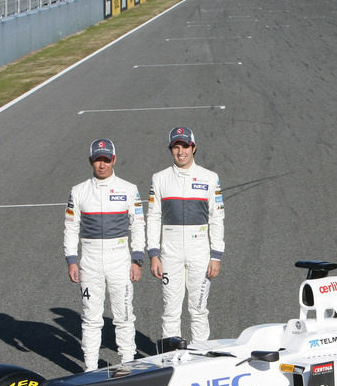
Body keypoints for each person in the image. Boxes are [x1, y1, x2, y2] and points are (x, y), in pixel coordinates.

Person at [64, 139, 145, 370]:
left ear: (114, 160)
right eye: (98, 159)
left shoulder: (128, 189)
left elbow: (138, 225)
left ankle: (128, 366)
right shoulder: (78, 191)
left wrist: (137, 259)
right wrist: (71, 260)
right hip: (89, 260)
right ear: (91, 160)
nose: (102, 164)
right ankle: (90, 369)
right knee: (91, 318)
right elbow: (70, 227)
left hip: (119, 258)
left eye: (106, 159)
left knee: (124, 316)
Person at [147, 127, 224, 344]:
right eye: (176, 147)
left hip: (200, 252)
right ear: (171, 149)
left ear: (194, 147)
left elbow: (217, 218)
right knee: (170, 309)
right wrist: (153, 254)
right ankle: (171, 360)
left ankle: (200, 357)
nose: (181, 152)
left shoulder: (210, 178)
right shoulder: (159, 178)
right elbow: (153, 216)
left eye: (185, 146)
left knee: (198, 308)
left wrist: (216, 256)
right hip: (169, 254)